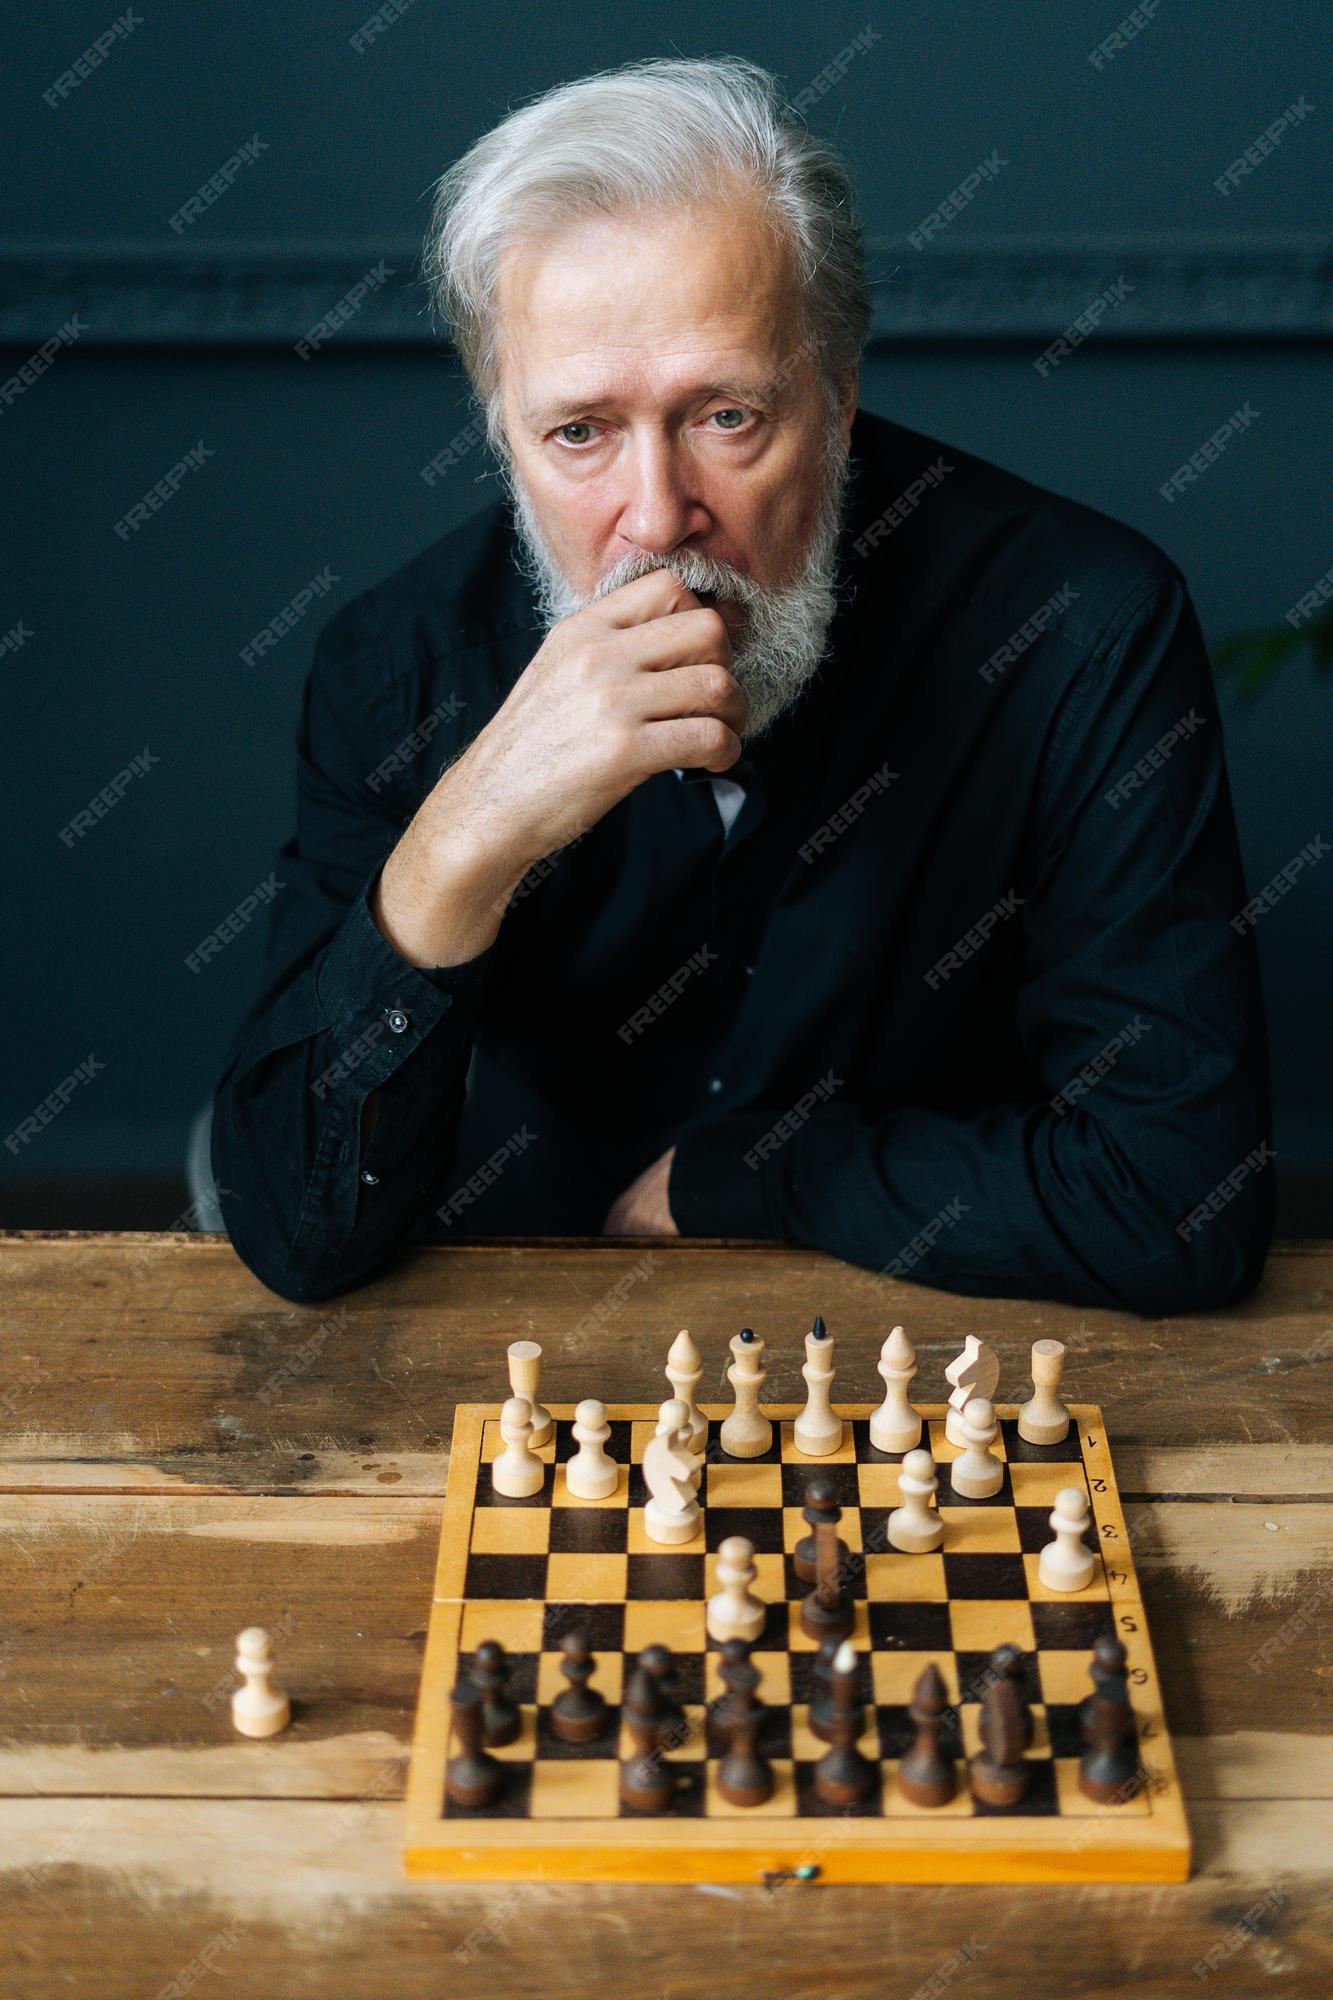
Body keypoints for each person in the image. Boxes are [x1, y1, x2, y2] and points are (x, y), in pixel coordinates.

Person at [211, 56, 1274, 1312]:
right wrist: (466, 836)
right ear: (501, 429)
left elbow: (1174, 1197)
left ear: (837, 393)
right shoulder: (399, 665)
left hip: (925, 1358)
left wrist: (758, 1176)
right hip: (517, 1361)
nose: (656, 519)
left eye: (726, 416)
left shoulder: (1076, 628)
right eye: (578, 433)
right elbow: (296, 1228)